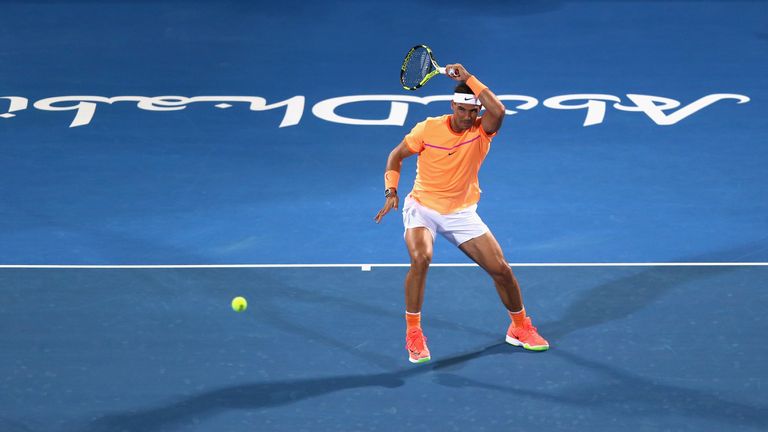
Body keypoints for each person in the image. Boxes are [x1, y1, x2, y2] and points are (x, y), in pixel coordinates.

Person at [374, 63, 549, 364]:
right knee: (421, 259)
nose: (470, 117)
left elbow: (500, 111)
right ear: (453, 106)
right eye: (464, 111)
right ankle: (413, 333)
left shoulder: (482, 131)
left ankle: (519, 326)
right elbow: (395, 157)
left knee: (501, 271)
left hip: (461, 212)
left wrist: (468, 78)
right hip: (423, 207)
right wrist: (391, 192)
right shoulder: (427, 129)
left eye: (474, 111)